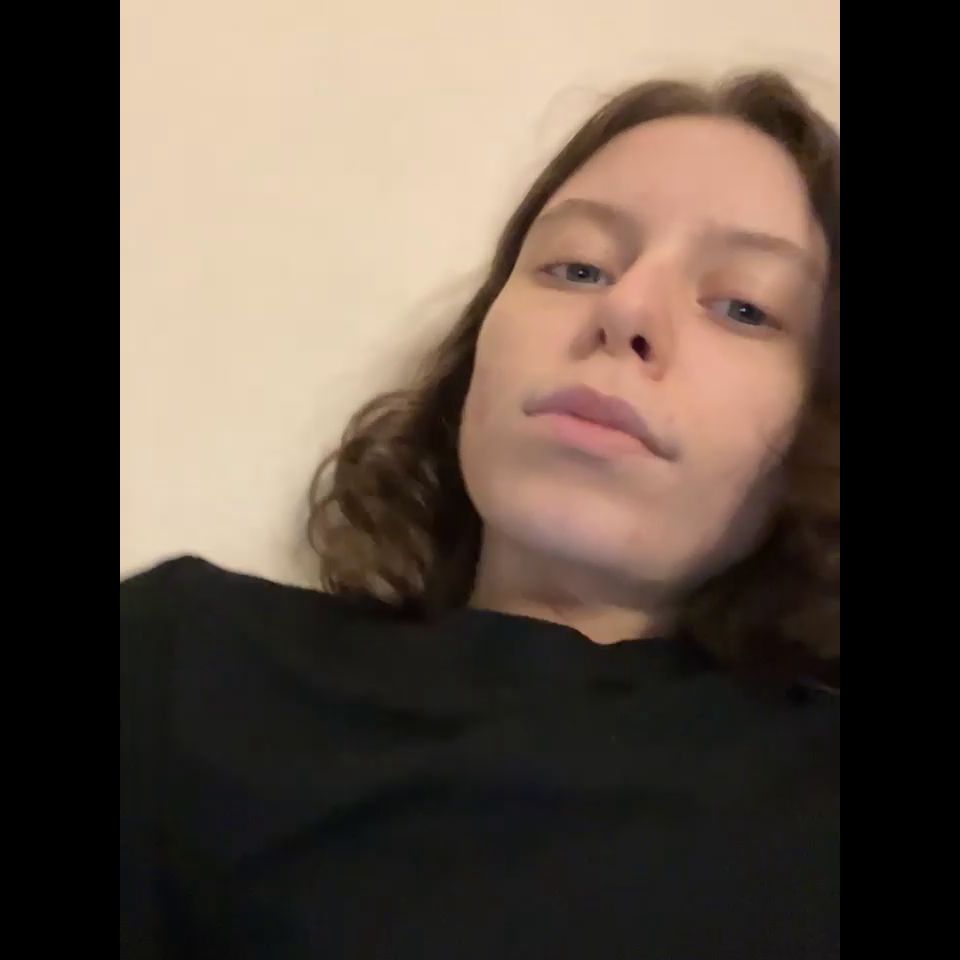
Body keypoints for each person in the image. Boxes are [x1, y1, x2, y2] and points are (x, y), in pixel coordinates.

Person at [121, 69, 839, 959]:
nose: (624, 309)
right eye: (577, 267)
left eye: (743, 306)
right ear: (476, 357)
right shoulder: (180, 670)